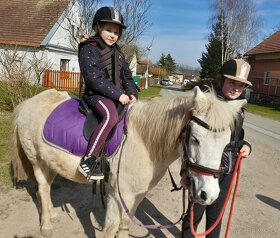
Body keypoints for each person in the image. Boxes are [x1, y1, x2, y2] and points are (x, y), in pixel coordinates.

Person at [180, 59, 252, 238]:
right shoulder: (207, 104)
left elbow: (238, 138)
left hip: (226, 172)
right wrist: (184, 172)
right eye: (232, 82)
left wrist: (246, 146)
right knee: (194, 215)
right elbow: (191, 142)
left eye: (241, 85)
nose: (236, 88)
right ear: (221, 81)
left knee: (216, 217)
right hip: (204, 169)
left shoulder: (238, 109)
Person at [78, 6, 138, 181]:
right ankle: (89, 159)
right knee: (111, 116)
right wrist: (118, 95)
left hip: (115, 94)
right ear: (98, 28)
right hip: (96, 95)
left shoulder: (118, 52)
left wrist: (132, 92)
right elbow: (93, 78)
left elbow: (127, 76)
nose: (113, 35)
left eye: (116, 32)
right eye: (108, 30)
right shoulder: (89, 48)